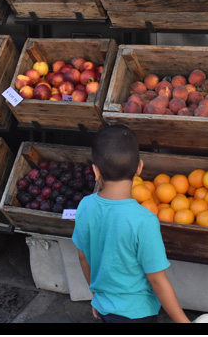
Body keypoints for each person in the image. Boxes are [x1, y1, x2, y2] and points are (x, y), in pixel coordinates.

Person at [73, 125, 191, 323]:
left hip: (105, 308)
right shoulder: (144, 220)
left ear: (95, 171)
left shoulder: (85, 205)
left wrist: (96, 296)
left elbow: (82, 256)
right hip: (138, 314)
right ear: (139, 167)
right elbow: (157, 279)